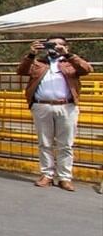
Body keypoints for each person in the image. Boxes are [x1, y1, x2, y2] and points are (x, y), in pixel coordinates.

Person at [17, 37, 92, 191]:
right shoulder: (39, 63)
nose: (55, 47)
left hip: (66, 106)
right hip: (41, 106)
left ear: (66, 47)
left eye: (60, 44)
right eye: (52, 44)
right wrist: (31, 54)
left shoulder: (70, 63)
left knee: (65, 144)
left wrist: (69, 55)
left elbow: (86, 69)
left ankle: (65, 177)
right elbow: (21, 71)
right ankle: (47, 174)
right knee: (45, 143)